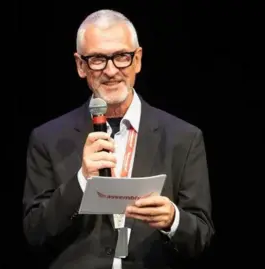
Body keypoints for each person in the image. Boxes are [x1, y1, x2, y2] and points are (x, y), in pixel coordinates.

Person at [22, 9, 214, 269]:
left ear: (138, 60)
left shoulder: (184, 138)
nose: (111, 71)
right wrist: (81, 181)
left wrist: (173, 219)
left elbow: (201, 237)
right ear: (81, 65)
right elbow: (35, 232)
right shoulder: (48, 139)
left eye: (122, 57)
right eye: (98, 59)